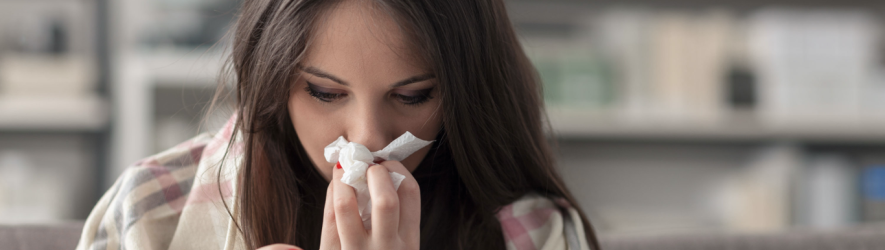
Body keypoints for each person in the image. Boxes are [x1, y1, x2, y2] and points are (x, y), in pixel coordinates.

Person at [76, 0, 599, 249]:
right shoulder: (150, 217)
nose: (368, 137)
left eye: (414, 95)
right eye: (325, 92)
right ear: (274, 80)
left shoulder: (535, 234)